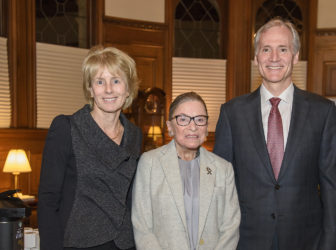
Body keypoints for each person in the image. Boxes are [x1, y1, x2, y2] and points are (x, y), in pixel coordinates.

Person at [213, 17, 336, 250]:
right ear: (256, 58)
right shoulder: (232, 113)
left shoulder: (322, 111)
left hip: (306, 241)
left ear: (295, 56)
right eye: (266, 50)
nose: (274, 58)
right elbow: (219, 188)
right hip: (245, 241)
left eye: (282, 49)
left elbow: (333, 188)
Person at [38, 46, 142, 250]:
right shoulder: (66, 128)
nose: (109, 89)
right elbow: (48, 200)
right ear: (90, 89)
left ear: (128, 89)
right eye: (100, 81)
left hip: (125, 244)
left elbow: (131, 199)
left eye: (116, 80)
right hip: (79, 243)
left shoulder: (135, 135)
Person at [132, 92, 241, 250]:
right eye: (183, 119)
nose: (193, 126)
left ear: (206, 127)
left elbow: (231, 227)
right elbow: (142, 227)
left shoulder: (223, 169)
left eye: (200, 119)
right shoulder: (149, 164)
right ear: (170, 127)